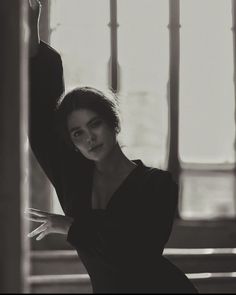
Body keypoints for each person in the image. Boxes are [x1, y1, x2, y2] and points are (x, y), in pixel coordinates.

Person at [26, 1, 198, 293]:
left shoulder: (158, 185)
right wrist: (32, 41)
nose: (88, 137)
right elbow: (41, 120)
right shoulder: (74, 179)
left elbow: (133, 252)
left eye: (95, 124)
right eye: (77, 133)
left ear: (114, 125)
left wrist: (69, 226)